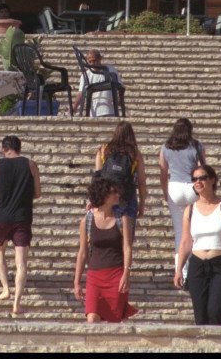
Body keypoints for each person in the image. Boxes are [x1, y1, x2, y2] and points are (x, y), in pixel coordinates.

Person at [173, 163, 221, 326]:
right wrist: (179, 269)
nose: (198, 182)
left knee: (216, 310)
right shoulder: (190, 210)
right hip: (198, 265)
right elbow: (186, 241)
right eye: (194, 179)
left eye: (202, 178)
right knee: (200, 315)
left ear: (212, 180)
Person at [0, 135, 41, 315]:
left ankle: (5, 289)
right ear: (20, 148)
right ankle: (17, 302)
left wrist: (2, 200)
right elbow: (38, 193)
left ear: (4, 149)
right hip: (22, 217)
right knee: (21, 262)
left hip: (2, 216)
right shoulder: (31, 165)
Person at [73, 175, 136, 323]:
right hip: (94, 276)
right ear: (103, 195)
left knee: (114, 321)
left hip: (116, 275)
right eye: (113, 192)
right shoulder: (87, 220)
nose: (117, 195)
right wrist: (76, 282)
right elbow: (82, 253)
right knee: (91, 318)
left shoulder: (123, 219)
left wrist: (126, 273)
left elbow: (127, 248)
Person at [159, 118, 205, 276]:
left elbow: (163, 172)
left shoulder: (166, 147)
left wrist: (165, 192)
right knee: (194, 230)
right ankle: (196, 268)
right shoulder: (196, 146)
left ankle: (181, 272)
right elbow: (202, 169)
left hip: (174, 188)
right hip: (192, 187)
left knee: (179, 231)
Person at [93, 122, 150, 237]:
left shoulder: (103, 150)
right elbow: (142, 183)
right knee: (127, 240)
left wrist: (94, 201)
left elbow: (98, 178)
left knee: (109, 236)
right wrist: (142, 205)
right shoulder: (135, 153)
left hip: (106, 198)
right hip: (127, 199)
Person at [74, 49, 125, 118]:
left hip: (109, 111)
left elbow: (120, 87)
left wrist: (119, 101)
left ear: (100, 59)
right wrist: (74, 106)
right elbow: (81, 93)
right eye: (90, 62)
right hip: (93, 113)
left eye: (95, 61)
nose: (92, 63)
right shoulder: (86, 75)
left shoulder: (111, 70)